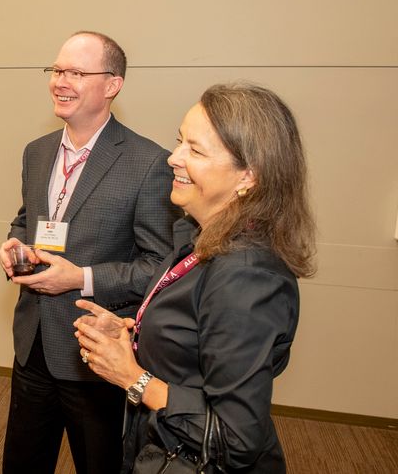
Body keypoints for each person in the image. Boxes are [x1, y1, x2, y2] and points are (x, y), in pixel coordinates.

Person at [74, 83, 315, 472]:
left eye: (196, 150)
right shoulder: (200, 238)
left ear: (248, 177)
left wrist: (133, 378)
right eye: (179, 142)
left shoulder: (247, 276)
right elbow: (201, 338)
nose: (173, 158)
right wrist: (136, 331)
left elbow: (235, 439)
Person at [0, 31, 180, 473]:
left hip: (96, 353)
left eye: (76, 72)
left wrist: (80, 278)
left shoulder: (148, 162)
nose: (61, 81)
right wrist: (15, 243)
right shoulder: (37, 152)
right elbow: (28, 219)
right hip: (33, 344)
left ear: (112, 84)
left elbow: (159, 267)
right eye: (57, 70)